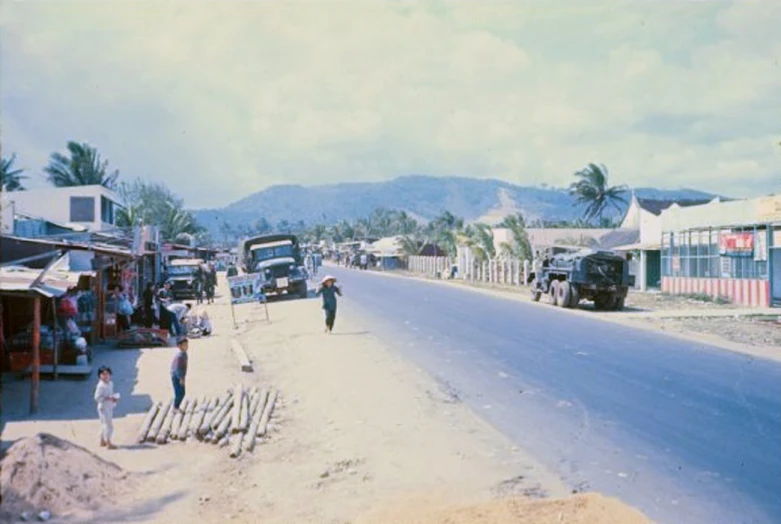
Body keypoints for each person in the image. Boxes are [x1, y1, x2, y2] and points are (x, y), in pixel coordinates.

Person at [94, 365, 119, 449]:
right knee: (109, 425)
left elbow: (110, 394)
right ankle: (108, 442)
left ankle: (102, 440)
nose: (105, 376)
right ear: (100, 375)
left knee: (104, 424)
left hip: (109, 406)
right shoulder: (100, 386)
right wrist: (108, 398)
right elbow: (97, 397)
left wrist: (113, 398)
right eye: (103, 374)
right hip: (103, 407)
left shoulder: (111, 383)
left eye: (107, 373)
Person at [170, 337, 188, 411]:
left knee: (182, 392)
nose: (186, 346)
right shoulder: (180, 356)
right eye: (184, 345)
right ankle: (175, 407)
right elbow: (178, 368)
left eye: (187, 345)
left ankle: (176, 406)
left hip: (180, 375)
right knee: (179, 393)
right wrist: (181, 378)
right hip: (176, 376)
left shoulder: (184, 354)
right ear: (179, 346)